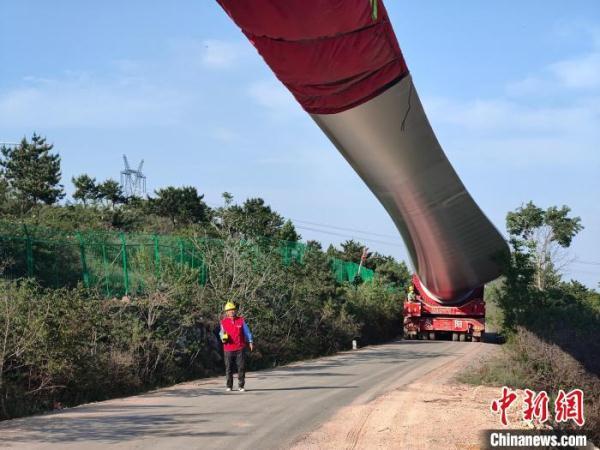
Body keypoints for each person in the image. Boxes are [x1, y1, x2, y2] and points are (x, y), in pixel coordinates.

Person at [219, 301, 254, 392]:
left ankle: (241, 386)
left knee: (241, 367)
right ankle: (229, 386)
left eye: (233, 310)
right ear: (226, 312)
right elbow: (221, 333)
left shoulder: (241, 320)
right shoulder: (223, 322)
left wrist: (250, 341)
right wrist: (223, 337)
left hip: (240, 348)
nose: (232, 312)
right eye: (229, 310)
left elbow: (247, 331)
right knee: (229, 368)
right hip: (228, 349)